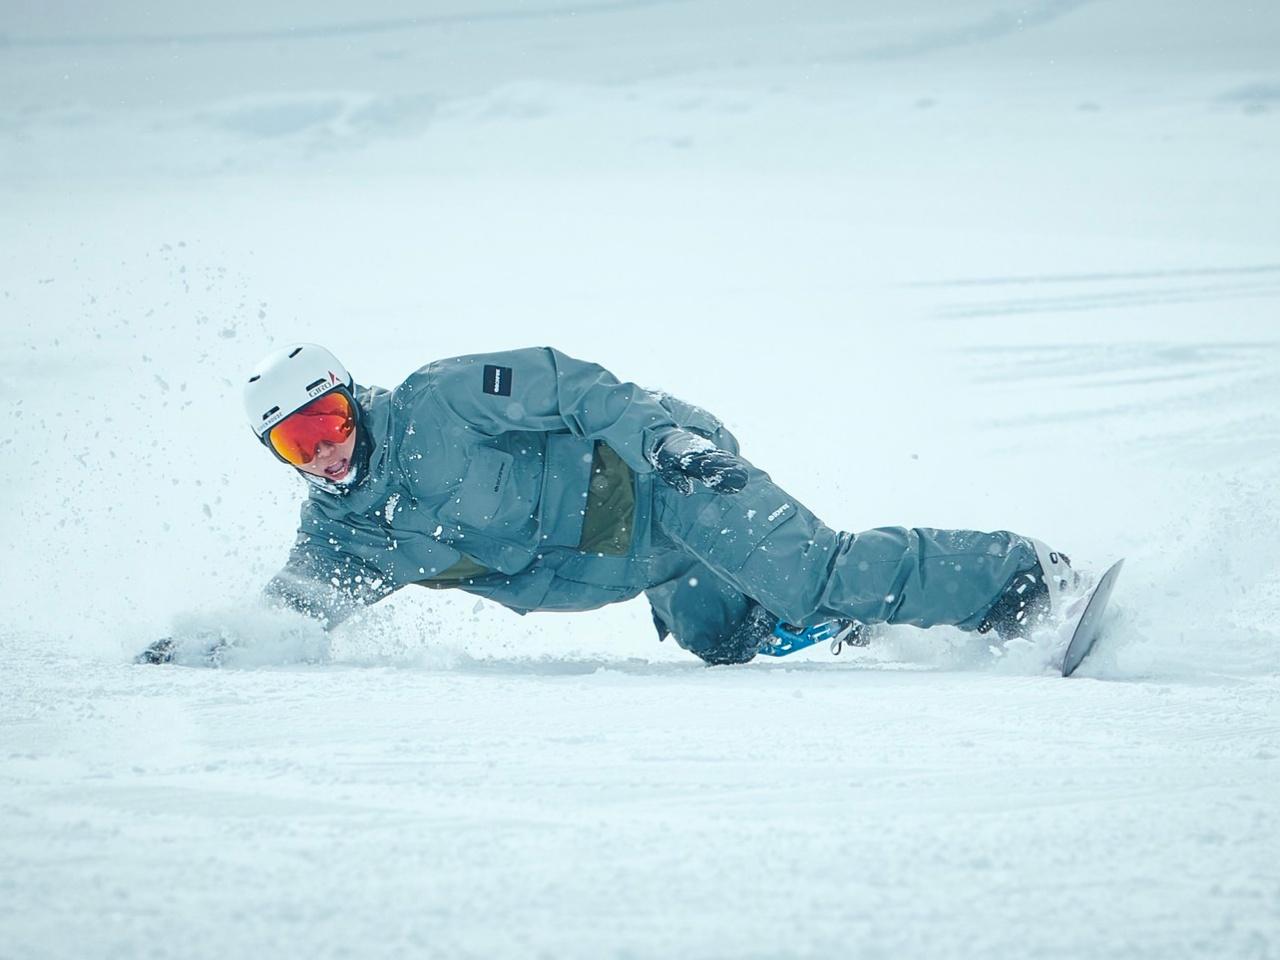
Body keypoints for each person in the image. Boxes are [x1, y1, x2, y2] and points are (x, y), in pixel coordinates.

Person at [138, 344, 1081, 666]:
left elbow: (579, 389)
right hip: (642, 570)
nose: (330, 447)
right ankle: (859, 627)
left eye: (331, 417)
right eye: (299, 442)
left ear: (353, 393)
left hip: (667, 479)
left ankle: (1024, 579)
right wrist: (214, 643)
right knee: (724, 644)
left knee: (808, 565)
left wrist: (667, 444)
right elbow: (299, 609)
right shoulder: (346, 532)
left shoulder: (440, 400)